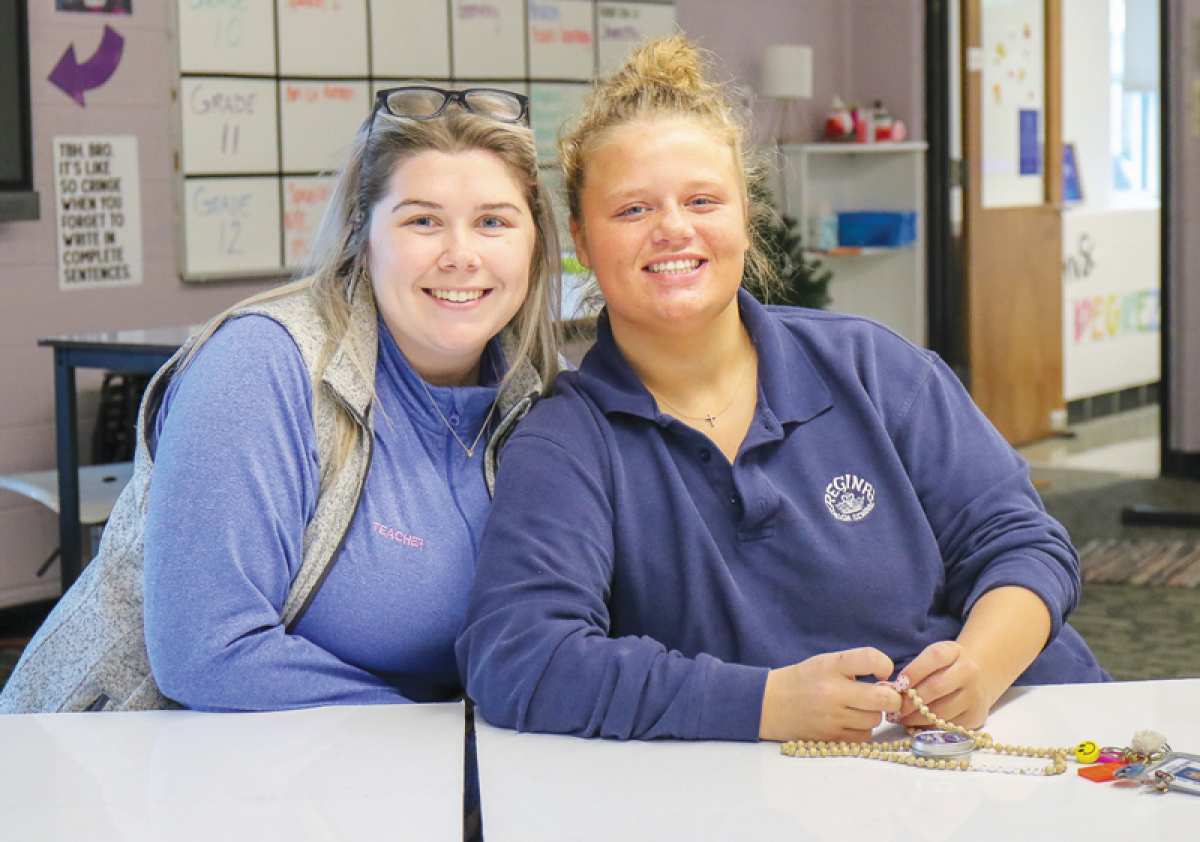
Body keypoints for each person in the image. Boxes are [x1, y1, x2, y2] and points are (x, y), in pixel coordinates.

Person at [456, 36, 1109, 744]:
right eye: (633, 210)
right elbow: (520, 657)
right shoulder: (567, 441)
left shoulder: (873, 367)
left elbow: (1022, 542)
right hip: (774, 791)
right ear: (581, 238)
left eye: (703, 200)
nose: (674, 228)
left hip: (1013, 748)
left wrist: (981, 667)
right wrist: (764, 704)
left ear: (744, 214)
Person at [1, 86, 561, 713]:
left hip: (355, 782)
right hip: (112, 774)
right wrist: (441, 738)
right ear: (363, 234)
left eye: (493, 221)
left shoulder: (540, 394)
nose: (461, 255)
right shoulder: (263, 365)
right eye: (422, 220)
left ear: (535, 241)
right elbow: (209, 653)